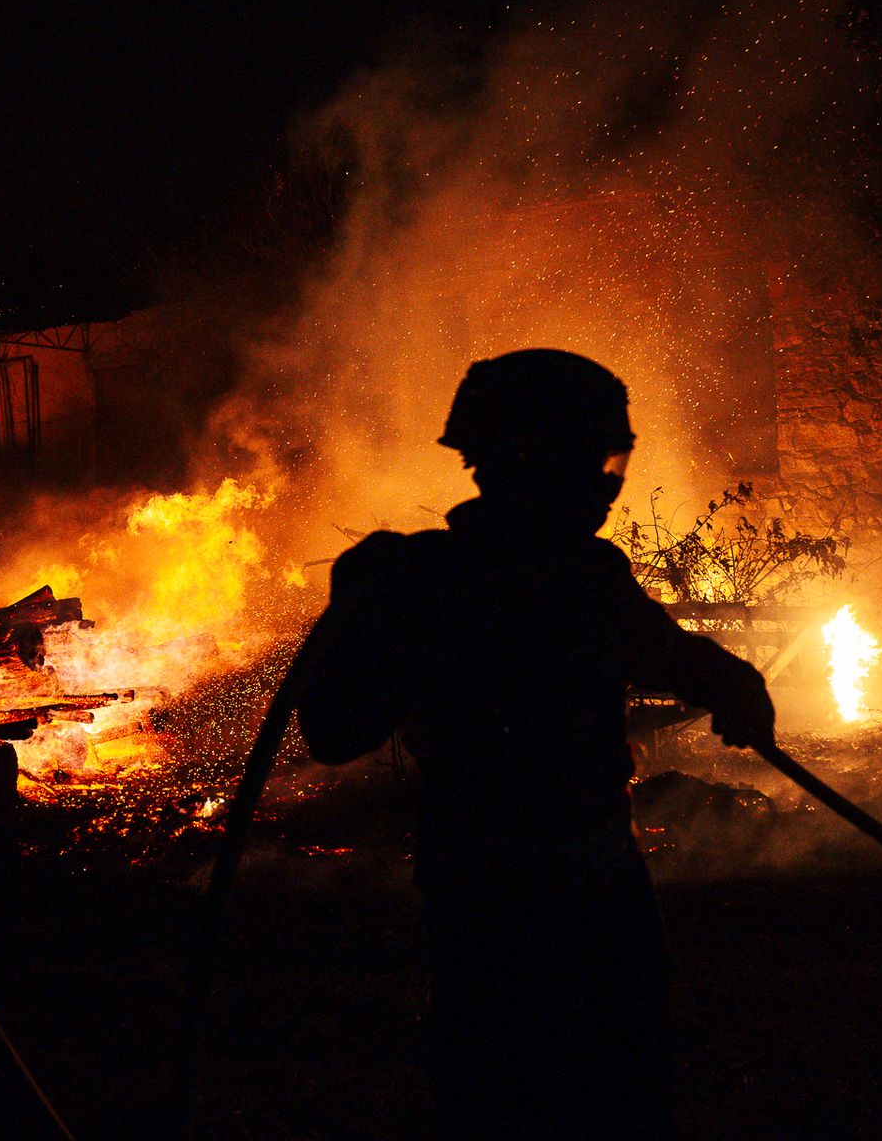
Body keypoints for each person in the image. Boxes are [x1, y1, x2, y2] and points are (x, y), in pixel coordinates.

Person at [291, 350, 775, 1140]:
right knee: (547, 1088)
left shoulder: (560, 572)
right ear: (532, 460)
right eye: (595, 461)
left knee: (551, 1085)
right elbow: (336, 730)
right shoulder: (447, 580)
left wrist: (736, 685)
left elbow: (666, 653)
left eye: (609, 461)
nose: (606, 484)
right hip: (526, 888)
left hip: (533, 881)